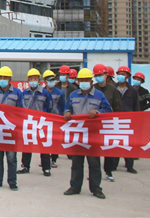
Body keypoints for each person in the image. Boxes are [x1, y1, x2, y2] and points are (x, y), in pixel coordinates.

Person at [63, 68, 112, 199]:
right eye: (81, 80)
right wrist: (67, 112)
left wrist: (98, 113)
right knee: (76, 163)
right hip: (78, 134)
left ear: (91, 81)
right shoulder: (73, 95)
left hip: (92, 134)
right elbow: (67, 107)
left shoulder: (99, 95)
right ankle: (75, 187)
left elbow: (109, 110)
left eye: (86, 80)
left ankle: (96, 188)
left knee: (94, 163)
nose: (83, 82)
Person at [18, 68, 53, 177]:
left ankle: (46, 168)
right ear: (28, 80)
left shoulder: (45, 93)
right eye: (31, 79)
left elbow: (50, 107)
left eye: (35, 78)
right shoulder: (25, 92)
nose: (33, 80)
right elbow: (21, 106)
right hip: (29, 122)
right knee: (27, 145)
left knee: (43, 145)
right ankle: (25, 166)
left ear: (39, 79)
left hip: (42, 122)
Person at [92, 63, 122, 182]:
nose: (99, 77)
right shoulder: (93, 88)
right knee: (94, 150)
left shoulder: (113, 90)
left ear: (106, 75)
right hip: (95, 123)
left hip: (109, 123)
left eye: (101, 75)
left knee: (109, 148)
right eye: (97, 75)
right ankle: (94, 173)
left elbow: (117, 106)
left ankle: (108, 171)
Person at [114, 66, 140, 174]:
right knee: (115, 143)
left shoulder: (132, 91)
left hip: (128, 120)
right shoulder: (113, 88)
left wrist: (137, 119)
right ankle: (113, 165)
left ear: (128, 76)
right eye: (119, 74)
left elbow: (136, 105)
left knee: (128, 144)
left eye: (123, 74)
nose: (121, 76)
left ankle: (129, 166)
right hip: (115, 119)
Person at [44, 69, 65, 168]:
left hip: (56, 119)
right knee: (45, 140)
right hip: (45, 119)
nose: (51, 82)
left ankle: (53, 159)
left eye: (53, 80)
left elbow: (63, 105)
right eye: (49, 80)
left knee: (55, 140)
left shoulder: (60, 93)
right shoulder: (42, 92)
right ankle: (45, 159)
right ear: (45, 81)